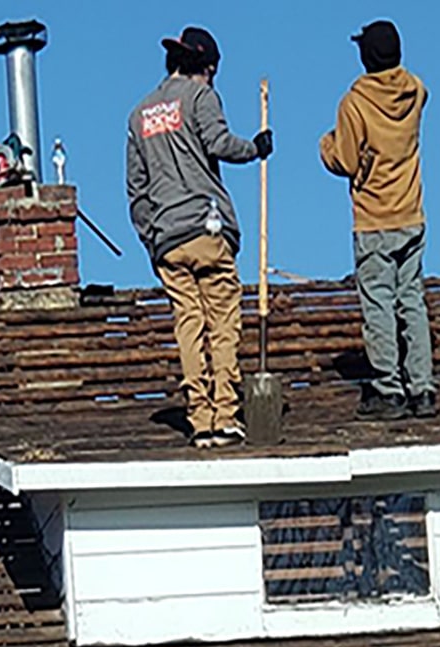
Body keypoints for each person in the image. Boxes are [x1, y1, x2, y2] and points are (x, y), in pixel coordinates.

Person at [126, 27, 274, 448]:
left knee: (188, 324)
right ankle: (225, 414)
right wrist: (256, 147)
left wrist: (150, 237)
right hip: (207, 226)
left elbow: (136, 189)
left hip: (168, 237)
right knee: (223, 321)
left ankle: (200, 418)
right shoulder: (199, 97)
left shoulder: (139, 115)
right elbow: (219, 142)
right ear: (205, 68)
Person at [320, 20, 437, 420]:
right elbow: (421, 95)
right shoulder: (415, 90)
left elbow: (347, 160)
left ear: (365, 56)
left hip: (374, 217)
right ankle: (422, 387)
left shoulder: (354, 104)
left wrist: (326, 146)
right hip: (412, 212)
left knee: (379, 305)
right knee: (412, 301)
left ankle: (389, 390)